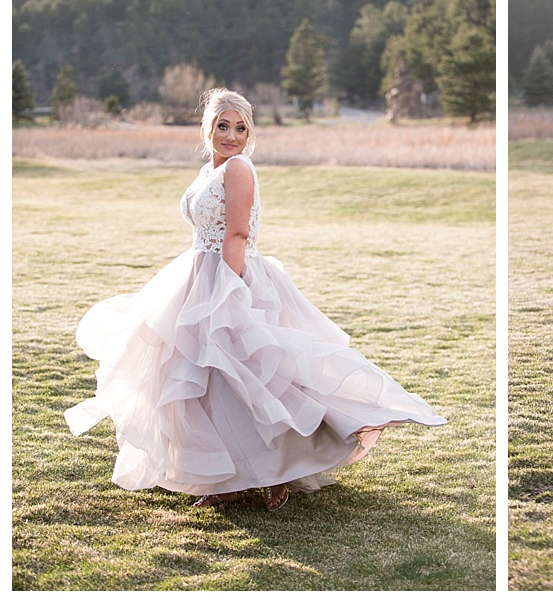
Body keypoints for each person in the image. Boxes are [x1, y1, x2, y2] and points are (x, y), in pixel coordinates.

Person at [66, 88, 446, 511]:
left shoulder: (240, 168)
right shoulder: (209, 169)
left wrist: (228, 291)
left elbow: (239, 233)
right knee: (210, 380)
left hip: (233, 276)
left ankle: (279, 472)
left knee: (258, 376)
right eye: (223, 126)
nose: (231, 135)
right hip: (197, 274)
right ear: (207, 128)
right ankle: (224, 479)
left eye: (241, 128)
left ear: (250, 133)